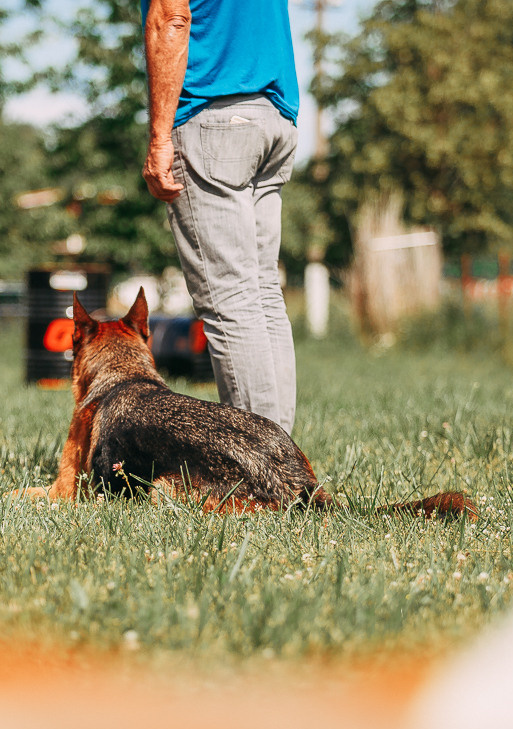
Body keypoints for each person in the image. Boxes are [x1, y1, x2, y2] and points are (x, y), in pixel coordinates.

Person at [141, 0, 301, 434]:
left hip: (214, 118)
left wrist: (159, 138)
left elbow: (171, 17)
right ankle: (283, 459)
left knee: (230, 300)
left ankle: (263, 470)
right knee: (262, 293)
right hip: (274, 117)